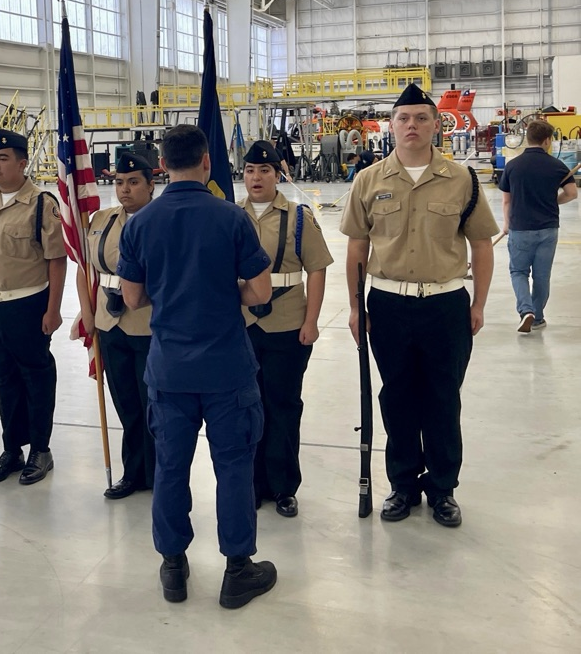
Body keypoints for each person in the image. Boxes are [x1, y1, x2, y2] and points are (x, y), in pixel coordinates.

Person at [116, 125, 277, 609]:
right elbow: (262, 292)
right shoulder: (231, 218)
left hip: (169, 371)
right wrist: (225, 297)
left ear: (161, 166)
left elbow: (132, 297)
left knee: (170, 467)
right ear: (208, 162)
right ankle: (236, 571)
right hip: (226, 367)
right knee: (233, 467)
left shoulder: (140, 224)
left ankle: (172, 567)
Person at [341, 84, 499, 528]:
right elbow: (357, 248)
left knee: (443, 399)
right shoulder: (368, 180)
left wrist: (479, 303)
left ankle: (443, 488)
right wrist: (355, 308)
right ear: (391, 126)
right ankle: (404, 485)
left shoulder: (462, 179)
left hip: (446, 305)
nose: (412, 125)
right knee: (397, 398)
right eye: (404, 118)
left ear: (435, 125)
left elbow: (482, 245)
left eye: (421, 118)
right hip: (388, 306)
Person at [0, 130, 67, 486]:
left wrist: (53, 311)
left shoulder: (41, 203)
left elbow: (56, 260)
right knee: (5, 378)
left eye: (2, 158)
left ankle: (41, 449)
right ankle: (12, 449)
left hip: (28, 304)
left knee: (36, 378)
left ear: (22, 163)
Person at [239, 141, 333, 518]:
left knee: (283, 406)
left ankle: (283, 487)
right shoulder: (231, 216)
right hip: (244, 325)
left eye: (264, 171)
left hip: (288, 324)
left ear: (278, 175)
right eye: (249, 171)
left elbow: (318, 267)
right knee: (247, 407)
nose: (256, 177)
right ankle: (252, 483)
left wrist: (311, 320)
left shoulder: (298, 218)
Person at [75, 153, 156, 500]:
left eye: (134, 182)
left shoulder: (161, 222)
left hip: (150, 325)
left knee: (152, 405)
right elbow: (85, 268)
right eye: (120, 182)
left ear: (151, 184)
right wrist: (87, 313)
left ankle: (158, 474)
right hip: (111, 323)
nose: (125, 189)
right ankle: (133, 472)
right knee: (126, 403)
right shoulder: (102, 221)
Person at [499, 120, 578, 333]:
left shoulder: (512, 166)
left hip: (520, 227)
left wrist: (506, 224)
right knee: (542, 276)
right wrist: (554, 201)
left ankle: (526, 311)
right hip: (548, 228)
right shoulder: (557, 166)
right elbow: (572, 193)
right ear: (547, 140)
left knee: (518, 272)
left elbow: (506, 201)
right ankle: (538, 317)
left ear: (528, 138)